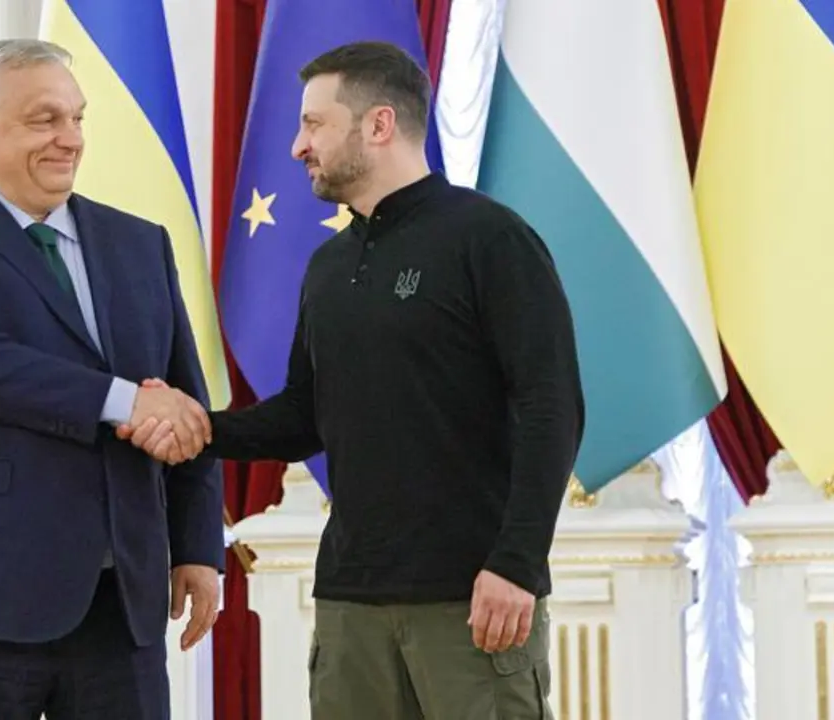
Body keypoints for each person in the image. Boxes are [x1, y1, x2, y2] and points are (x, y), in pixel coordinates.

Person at [121, 41, 584, 719]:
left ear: (378, 125)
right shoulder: (329, 266)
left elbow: (554, 406)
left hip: (474, 599)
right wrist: (195, 425)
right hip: (349, 603)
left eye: (313, 124)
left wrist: (516, 564)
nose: (296, 148)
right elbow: (304, 417)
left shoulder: (492, 239)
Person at [0, 39, 223, 720]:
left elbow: (183, 405)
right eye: (43, 120)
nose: (69, 139)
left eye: (76, 118)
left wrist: (199, 547)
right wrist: (124, 401)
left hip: (121, 607)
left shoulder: (140, 242)